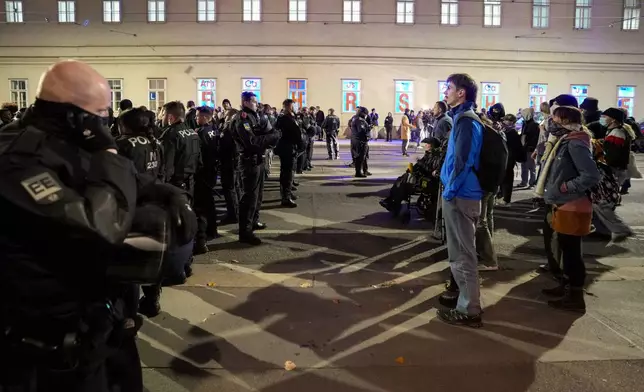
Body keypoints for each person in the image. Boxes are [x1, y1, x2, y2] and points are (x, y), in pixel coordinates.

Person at [0, 60, 194, 392]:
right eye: (101, 112)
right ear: (77, 115)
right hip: (50, 348)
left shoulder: (69, 140)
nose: (106, 120)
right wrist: (108, 151)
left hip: (102, 325)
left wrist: (171, 194)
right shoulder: (17, 157)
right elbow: (100, 226)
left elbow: (130, 182)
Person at [536, 105, 600, 312]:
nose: (550, 122)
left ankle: (575, 296)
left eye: (554, 119)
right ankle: (566, 287)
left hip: (573, 204)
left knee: (572, 252)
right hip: (564, 203)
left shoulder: (575, 143)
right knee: (565, 249)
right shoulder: (563, 140)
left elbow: (590, 175)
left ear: (564, 120)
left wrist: (565, 188)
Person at [437, 73, 484, 328]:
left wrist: (449, 190)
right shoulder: (462, 118)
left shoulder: (466, 121)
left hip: (461, 195)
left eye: (449, 88)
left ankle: (469, 310)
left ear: (461, 93)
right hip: (462, 192)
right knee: (460, 253)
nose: (446, 92)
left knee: (463, 254)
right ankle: (464, 301)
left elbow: (462, 162)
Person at [232, 92, 281, 245]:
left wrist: (270, 134)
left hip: (258, 159)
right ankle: (245, 232)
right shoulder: (243, 119)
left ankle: (254, 221)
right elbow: (251, 142)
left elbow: (263, 133)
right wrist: (273, 137)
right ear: (245, 102)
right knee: (249, 197)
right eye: (253, 101)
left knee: (258, 194)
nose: (256, 103)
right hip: (248, 161)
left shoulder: (255, 116)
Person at [379, 137, 442, 215]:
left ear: (432, 146)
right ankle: (391, 201)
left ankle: (394, 203)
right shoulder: (427, 155)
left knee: (403, 183)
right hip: (419, 176)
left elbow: (429, 170)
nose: (426, 146)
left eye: (428, 144)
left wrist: (419, 162)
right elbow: (419, 166)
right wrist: (411, 168)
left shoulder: (435, 157)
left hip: (425, 180)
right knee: (401, 180)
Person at [159, 101, 202, 198]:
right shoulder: (193, 133)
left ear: (170, 117)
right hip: (190, 182)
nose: (161, 118)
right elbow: (199, 161)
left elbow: (167, 166)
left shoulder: (170, 135)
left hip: (175, 185)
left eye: (163, 115)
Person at [193, 106, 220, 255]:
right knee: (209, 202)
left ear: (205, 117)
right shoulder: (214, 130)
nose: (196, 119)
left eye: (198, 116)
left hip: (203, 172)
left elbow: (199, 154)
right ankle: (213, 229)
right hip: (212, 170)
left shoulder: (201, 133)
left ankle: (203, 237)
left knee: (202, 204)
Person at [275, 99, 304, 208]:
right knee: (286, 173)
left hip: (290, 148)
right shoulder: (285, 118)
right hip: (287, 148)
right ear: (288, 107)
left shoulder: (290, 117)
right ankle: (285, 198)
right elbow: (293, 133)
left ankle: (287, 193)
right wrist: (300, 143)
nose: (294, 108)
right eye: (293, 106)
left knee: (288, 173)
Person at [219, 108, 241, 224]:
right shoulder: (234, 127)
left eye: (226, 114)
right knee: (234, 187)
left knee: (230, 188)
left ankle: (233, 214)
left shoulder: (230, 129)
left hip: (229, 161)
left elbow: (225, 146)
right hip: (233, 161)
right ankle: (236, 211)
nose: (224, 116)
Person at [497, 114, 524, 206]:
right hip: (505, 158)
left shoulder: (512, 133)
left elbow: (517, 148)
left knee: (507, 178)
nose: (505, 122)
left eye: (508, 121)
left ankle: (506, 199)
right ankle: (502, 196)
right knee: (503, 178)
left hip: (509, 159)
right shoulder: (505, 132)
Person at [518, 107, 540, 188]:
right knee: (524, 166)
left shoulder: (534, 125)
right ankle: (524, 182)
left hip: (530, 148)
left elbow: (535, 138)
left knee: (531, 166)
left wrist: (533, 147)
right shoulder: (526, 123)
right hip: (525, 148)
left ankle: (532, 182)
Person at [351, 106, 371, 178]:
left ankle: (363, 170)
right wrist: (368, 129)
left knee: (362, 157)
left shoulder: (355, 118)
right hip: (360, 141)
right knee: (360, 157)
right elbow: (361, 131)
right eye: (365, 114)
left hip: (356, 140)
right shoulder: (360, 120)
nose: (366, 116)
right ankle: (358, 172)